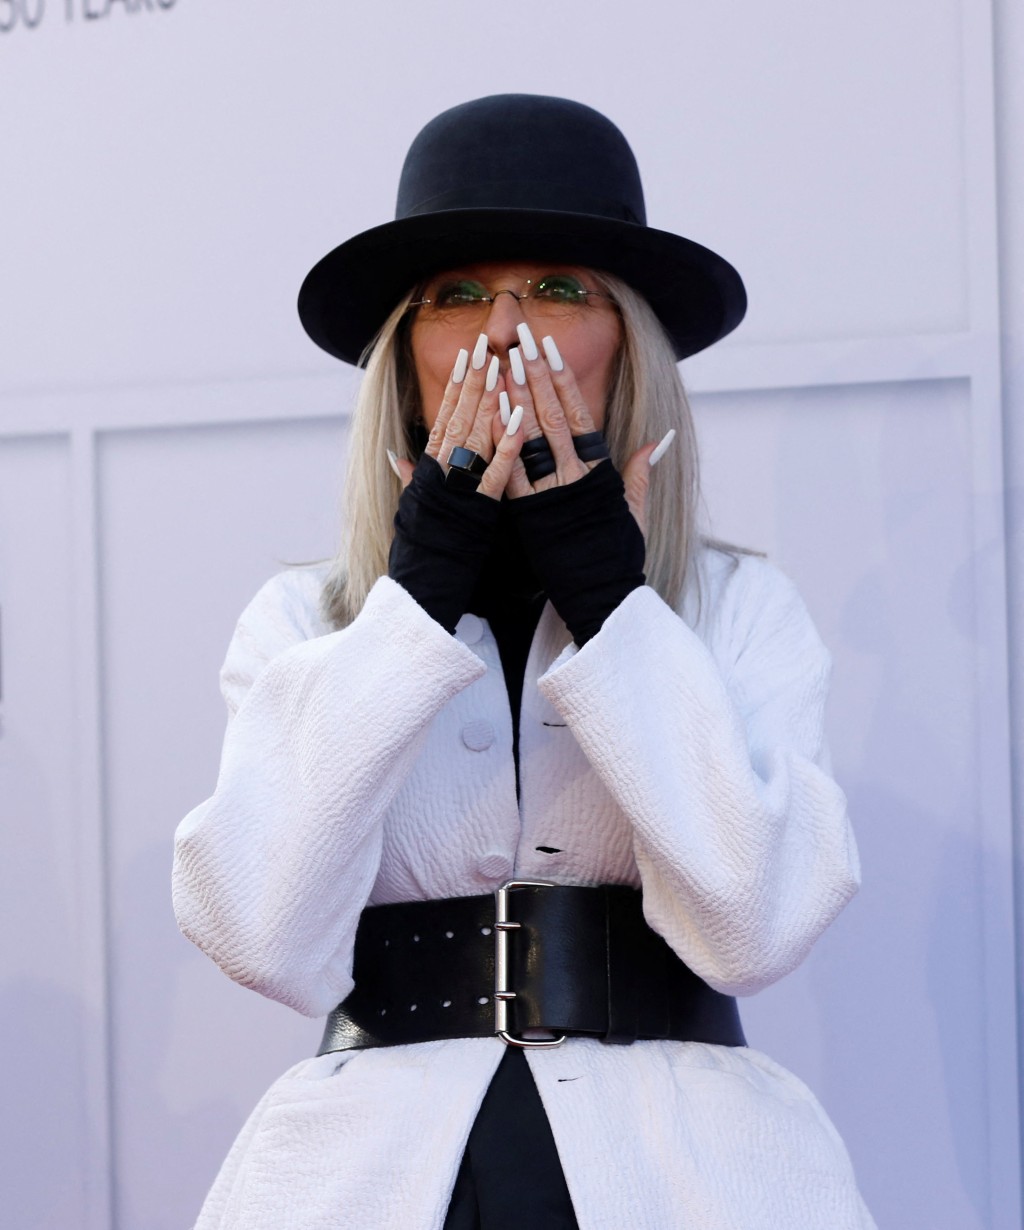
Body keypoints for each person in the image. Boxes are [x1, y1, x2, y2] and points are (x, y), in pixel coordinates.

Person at [173, 94, 876, 1229]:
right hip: (370, 1175)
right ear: (402, 360)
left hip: (684, 1171)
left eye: (556, 289)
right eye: (457, 296)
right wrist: (414, 599)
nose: (503, 332)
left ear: (628, 344)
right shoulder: (305, 617)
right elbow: (260, 935)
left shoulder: (740, 607)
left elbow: (759, 927)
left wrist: (612, 602)